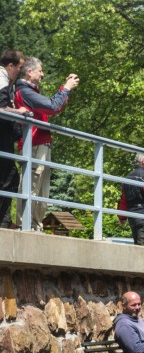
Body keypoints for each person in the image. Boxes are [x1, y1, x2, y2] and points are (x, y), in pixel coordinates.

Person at [12, 58, 79, 232]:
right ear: (29, 72)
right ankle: (24, 224)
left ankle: (35, 225)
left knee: (42, 190)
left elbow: (53, 105)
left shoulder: (30, 91)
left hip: (41, 143)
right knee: (31, 185)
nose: (42, 74)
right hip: (33, 144)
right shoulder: (24, 91)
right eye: (40, 71)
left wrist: (65, 89)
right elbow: (52, 107)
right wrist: (65, 88)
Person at [0, 49, 30, 227]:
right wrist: (19, 112)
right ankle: (3, 223)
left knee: (10, 178)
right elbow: (2, 108)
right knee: (9, 178)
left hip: (5, 137)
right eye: (19, 67)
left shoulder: (7, 81)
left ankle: (4, 222)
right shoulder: (1, 79)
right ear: (10, 66)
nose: (21, 70)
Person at [123, 153, 144, 246]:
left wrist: (122, 217)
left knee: (137, 245)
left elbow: (123, 199)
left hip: (132, 217)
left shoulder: (128, 176)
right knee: (143, 248)